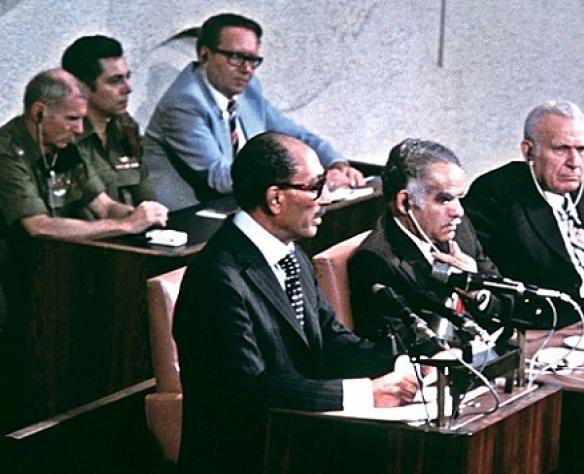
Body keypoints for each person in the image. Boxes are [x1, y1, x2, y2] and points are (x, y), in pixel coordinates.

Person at [172, 132, 417, 474]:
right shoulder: (216, 277)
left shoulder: (291, 256)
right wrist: (367, 393)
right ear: (275, 198)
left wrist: (404, 363)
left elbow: (331, 340)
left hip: (295, 449)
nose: (326, 199)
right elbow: (250, 390)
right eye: (315, 187)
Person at [0, 69, 167, 430]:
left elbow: (103, 205)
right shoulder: (8, 151)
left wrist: (141, 215)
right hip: (13, 276)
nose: (79, 129)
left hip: (56, 272)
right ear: (39, 112)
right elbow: (38, 226)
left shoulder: (65, 146)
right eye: (71, 119)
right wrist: (125, 226)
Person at [145, 12, 363, 209]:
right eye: (236, 57)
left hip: (239, 204)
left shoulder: (248, 90)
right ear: (205, 56)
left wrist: (336, 165)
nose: (247, 69)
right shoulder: (184, 103)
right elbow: (217, 178)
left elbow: (295, 136)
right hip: (189, 216)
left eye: (253, 60)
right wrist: (309, 178)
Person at [463, 100, 584, 326]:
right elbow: (487, 280)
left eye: (581, 149)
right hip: (555, 330)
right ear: (529, 151)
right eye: (561, 149)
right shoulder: (497, 195)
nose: (574, 162)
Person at [349, 138, 503, 346]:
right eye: (444, 199)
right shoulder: (374, 261)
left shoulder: (459, 230)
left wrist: (477, 292)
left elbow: (507, 303)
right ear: (405, 202)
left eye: (459, 198)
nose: (458, 211)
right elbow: (405, 346)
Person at [62, 34, 155, 205]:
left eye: (127, 77)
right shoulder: (63, 138)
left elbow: (147, 197)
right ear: (81, 87)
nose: (128, 88)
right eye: (115, 81)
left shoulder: (125, 127)